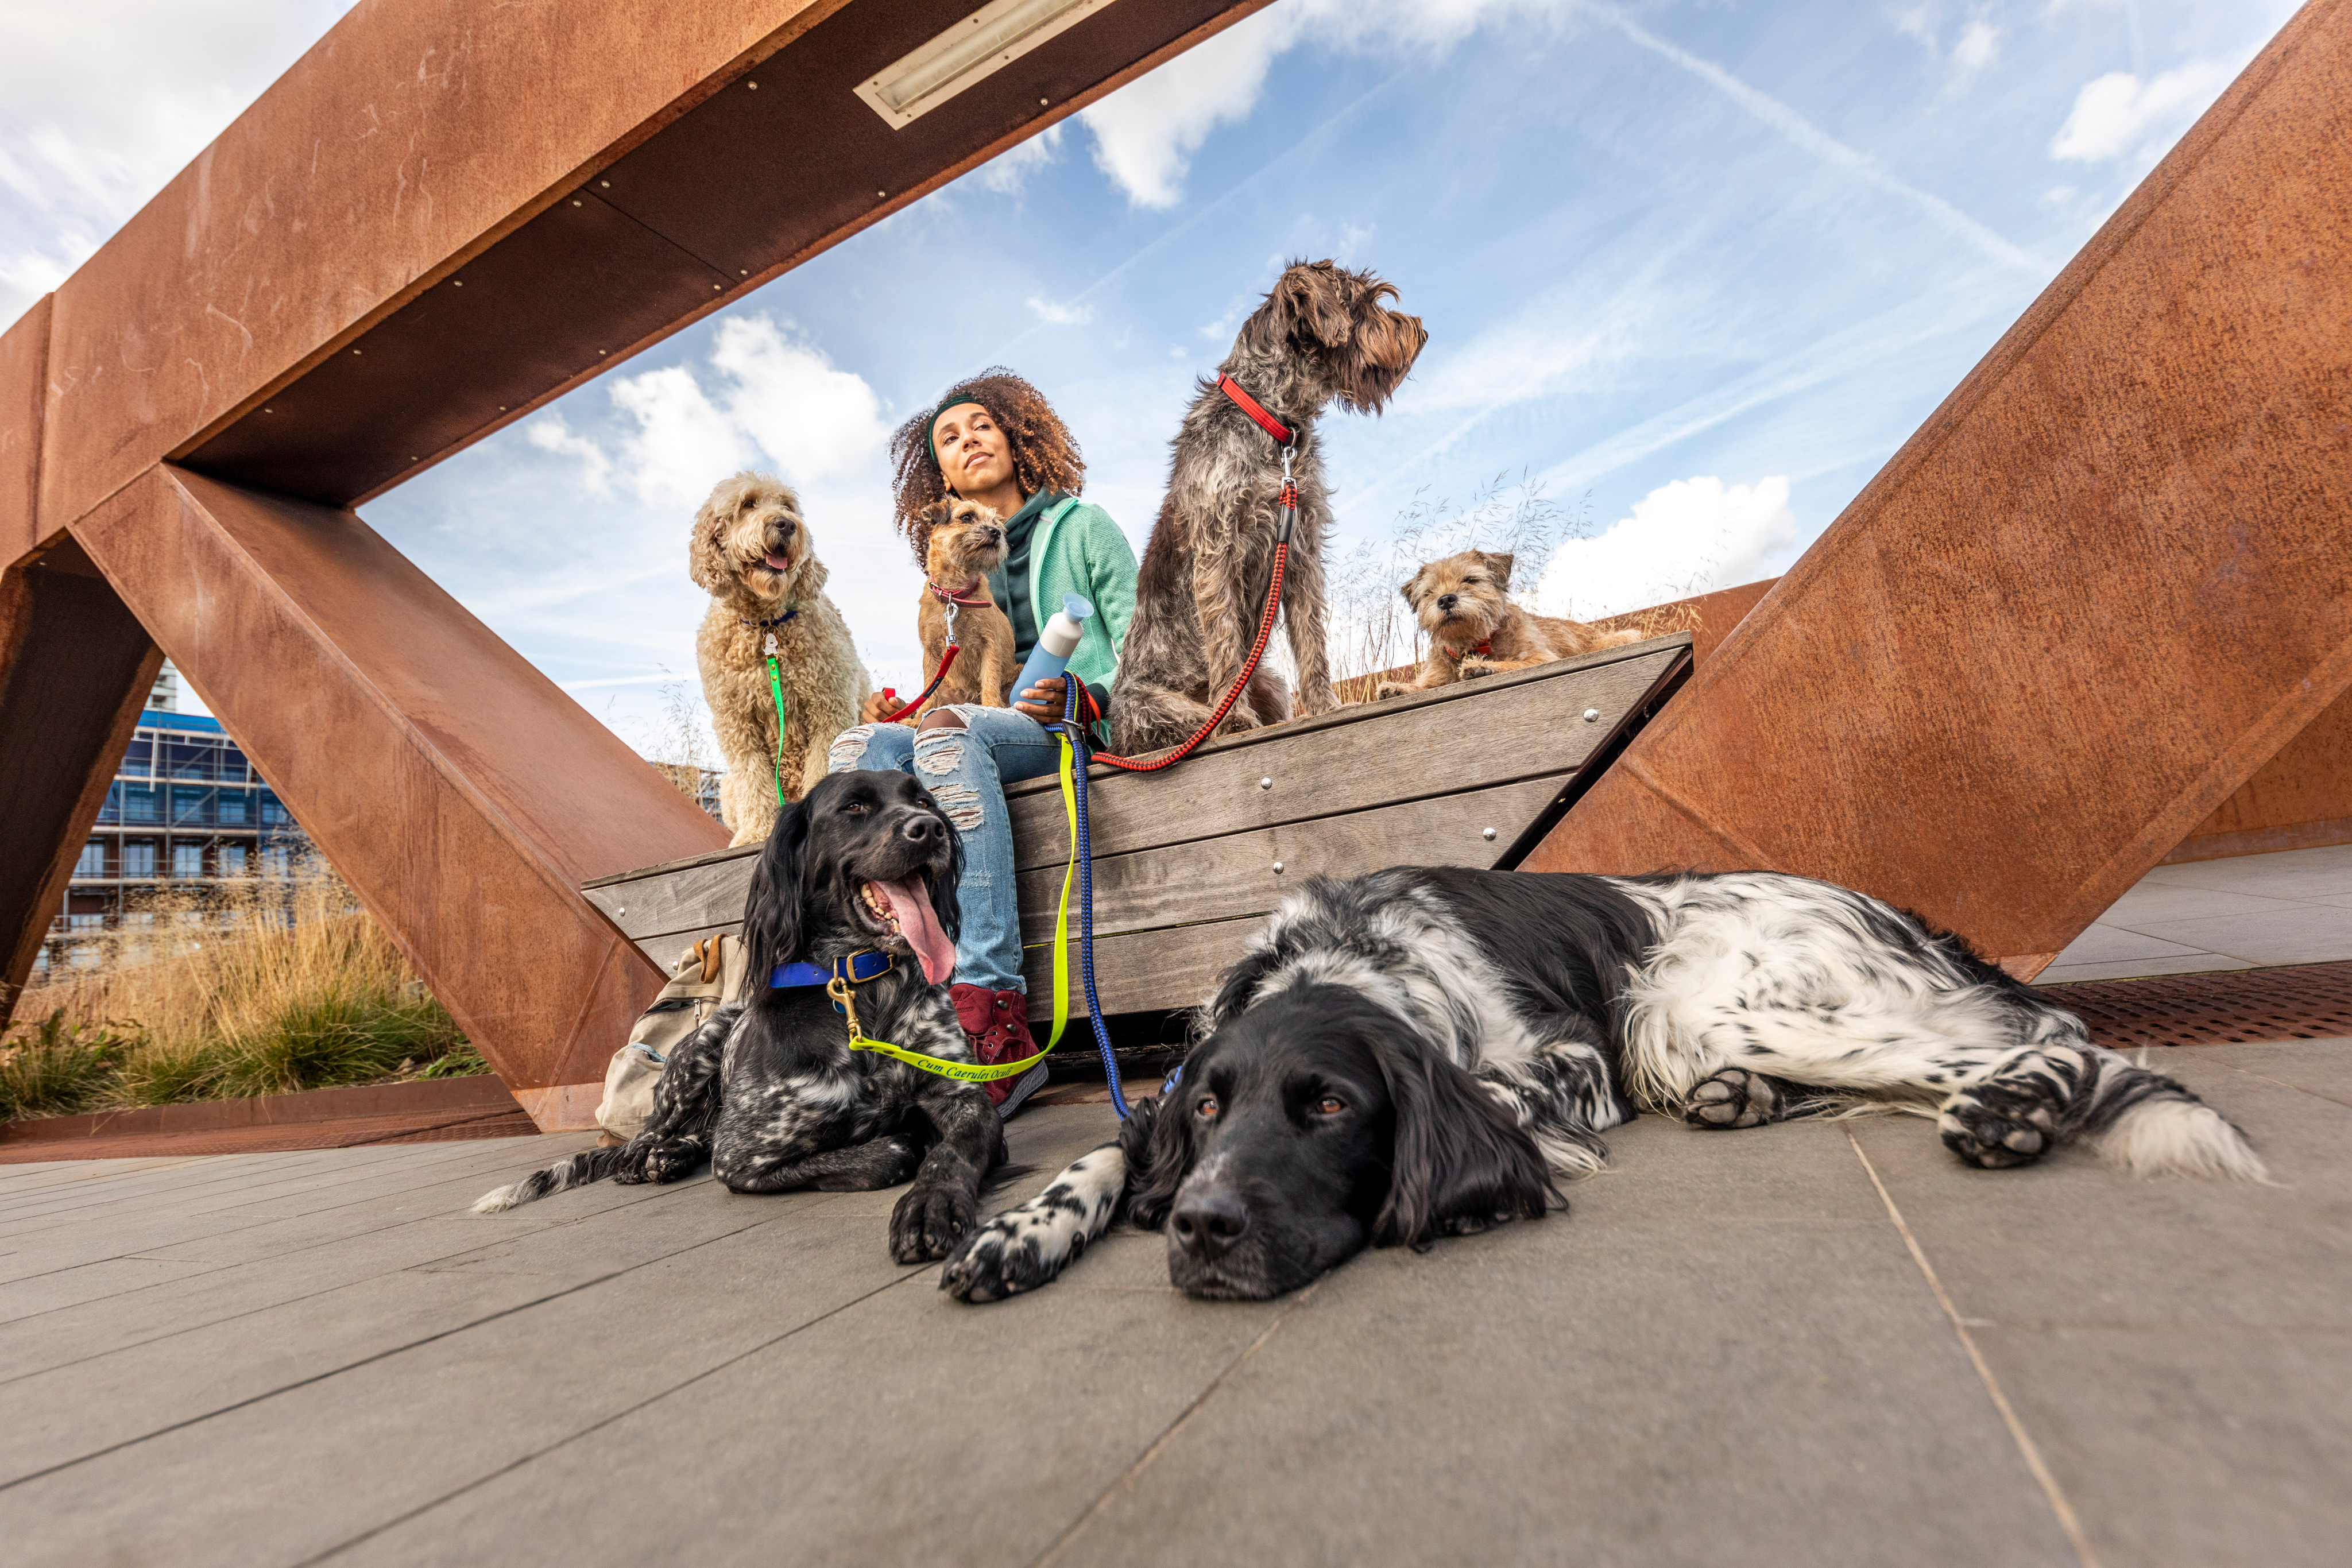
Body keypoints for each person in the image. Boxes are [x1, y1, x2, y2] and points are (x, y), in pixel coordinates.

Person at [826, 369, 1138, 1117]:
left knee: (947, 734)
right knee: (863, 748)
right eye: (949, 439)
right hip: (978, 724)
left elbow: (1150, 642)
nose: (968, 441)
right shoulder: (948, 579)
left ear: (1016, 434)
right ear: (939, 475)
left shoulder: (1083, 528)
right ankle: (895, 1007)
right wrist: (906, 702)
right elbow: (953, 684)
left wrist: (1090, 691)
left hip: (1072, 721)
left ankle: (991, 1026)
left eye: (981, 427)